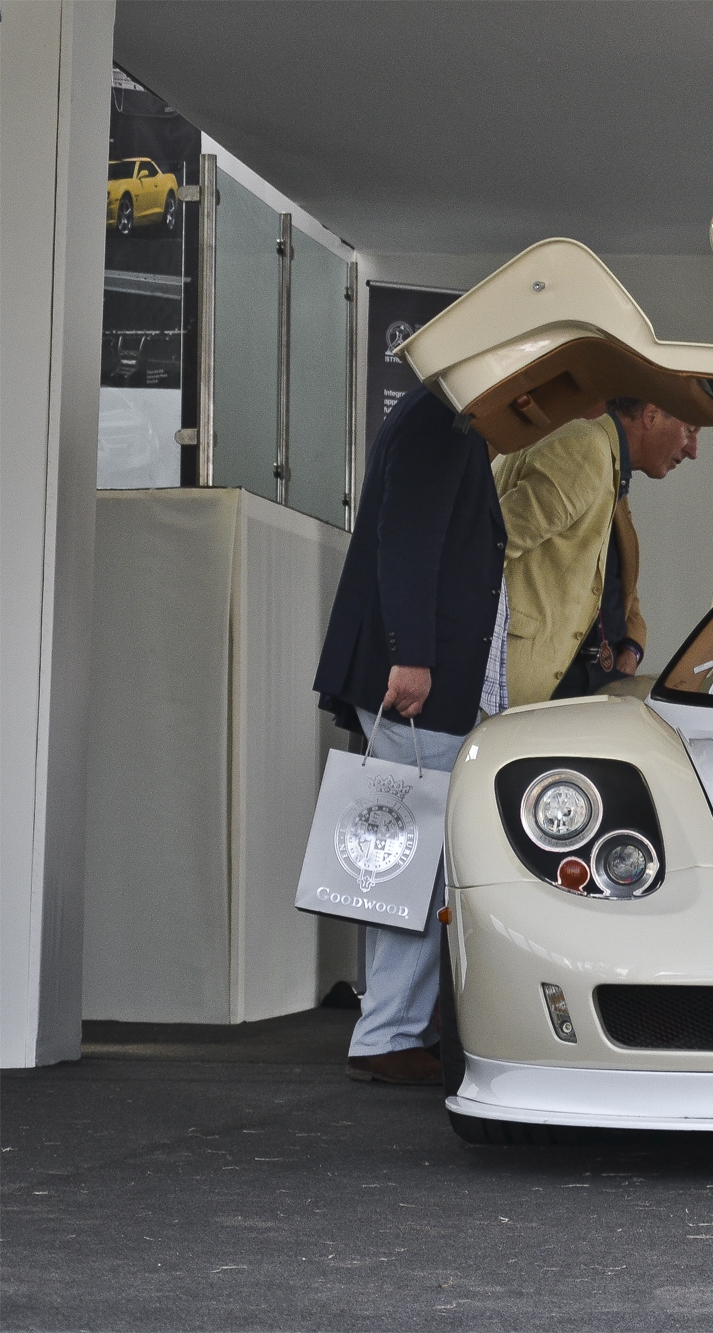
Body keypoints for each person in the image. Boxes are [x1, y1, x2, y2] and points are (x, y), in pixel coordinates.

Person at [312, 385, 507, 1087]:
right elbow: (410, 540)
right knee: (413, 859)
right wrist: (412, 654)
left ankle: (391, 1026)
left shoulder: (438, 418)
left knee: (404, 854)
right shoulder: (441, 420)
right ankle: (388, 1031)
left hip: (422, 677)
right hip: (420, 680)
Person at [493, 398, 698, 705]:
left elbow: (611, 577)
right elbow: (490, 545)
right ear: (651, 415)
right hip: (544, 681)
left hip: (596, 677)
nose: (693, 450)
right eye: (689, 431)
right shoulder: (586, 451)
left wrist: (632, 646)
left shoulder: (612, 466)